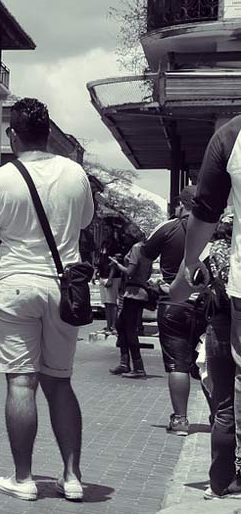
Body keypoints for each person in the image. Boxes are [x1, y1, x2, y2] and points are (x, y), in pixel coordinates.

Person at [0, 98, 94, 502]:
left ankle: (23, 479)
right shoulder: (75, 174)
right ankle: (72, 478)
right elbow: (87, 220)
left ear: (13, 134)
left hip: (17, 284)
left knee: (21, 383)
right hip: (63, 288)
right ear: (48, 134)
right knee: (60, 382)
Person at [172, 116, 241, 498]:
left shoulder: (231, 137)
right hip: (227, 306)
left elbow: (204, 216)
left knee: (226, 401)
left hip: (228, 306)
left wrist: (187, 271)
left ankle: (221, 480)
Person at [139, 186, 207, 435]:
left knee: (178, 365)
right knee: (208, 363)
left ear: (182, 204)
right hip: (206, 304)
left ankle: (180, 420)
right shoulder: (216, 229)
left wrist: (149, 281)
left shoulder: (168, 228)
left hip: (173, 303)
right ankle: (219, 417)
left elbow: (143, 254)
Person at [199, 213, 239, 498]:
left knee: (223, 406)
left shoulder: (212, 251)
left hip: (220, 325)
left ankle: (219, 483)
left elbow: (193, 282)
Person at [111, 240, 154, 377]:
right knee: (121, 325)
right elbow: (147, 274)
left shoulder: (136, 248)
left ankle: (138, 366)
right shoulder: (148, 250)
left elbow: (130, 271)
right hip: (138, 290)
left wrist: (117, 265)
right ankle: (125, 363)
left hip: (134, 291)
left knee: (129, 329)